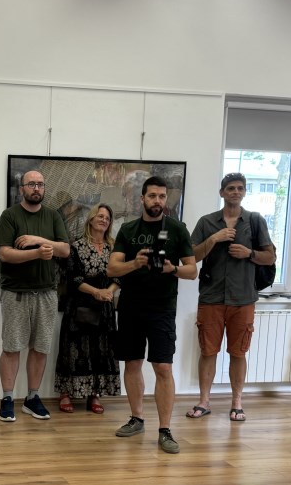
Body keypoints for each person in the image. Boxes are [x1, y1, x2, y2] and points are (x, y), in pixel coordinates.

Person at [107, 177, 196, 454]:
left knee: (163, 367)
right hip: (131, 306)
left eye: (162, 196)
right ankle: (136, 418)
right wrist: (136, 263)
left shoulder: (177, 229)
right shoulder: (129, 229)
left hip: (162, 308)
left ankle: (165, 430)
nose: (158, 201)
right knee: (132, 363)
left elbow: (192, 271)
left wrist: (172, 269)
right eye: (152, 196)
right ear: (142, 199)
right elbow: (112, 269)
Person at [187, 172, 276, 422]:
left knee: (238, 353)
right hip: (211, 297)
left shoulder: (255, 220)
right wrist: (214, 239)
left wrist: (249, 253)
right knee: (208, 351)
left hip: (243, 298)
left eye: (239, 188)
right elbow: (191, 257)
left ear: (244, 192)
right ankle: (204, 401)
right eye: (230, 188)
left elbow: (270, 257)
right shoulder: (207, 222)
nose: (235, 192)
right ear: (222, 192)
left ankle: (237, 402)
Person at [0, 170, 70, 421]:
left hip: (46, 293)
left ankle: (32, 398)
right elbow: (5, 253)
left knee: (40, 348)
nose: (36, 188)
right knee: (11, 347)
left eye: (40, 184)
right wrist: (37, 253)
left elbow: (64, 249)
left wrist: (37, 240)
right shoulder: (10, 216)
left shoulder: (53, 216)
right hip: (15, 292)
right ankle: (7, 398)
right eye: (31, 184)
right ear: (22, 189)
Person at [54, 204, 121, 413]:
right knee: (74, 349)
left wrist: (108, 291)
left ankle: (95, 395)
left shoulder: (114, 248)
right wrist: (95, 292)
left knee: (100, 350)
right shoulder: (77, 246)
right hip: (80, 306)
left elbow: (119, 276)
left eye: (107, 218)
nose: (104, 220)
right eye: (100, 216)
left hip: (104, 308)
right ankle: (65, 394)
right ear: (91, 219)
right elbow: (73, 278)